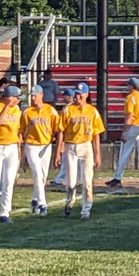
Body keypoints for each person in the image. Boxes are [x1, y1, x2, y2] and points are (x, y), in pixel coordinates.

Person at [55, 81, 104, 219]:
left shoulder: (92, 111)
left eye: (80, 94)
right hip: (70, 146)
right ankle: (69, 202)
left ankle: (86, 210)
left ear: (86, 94)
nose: (77, 96)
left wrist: (98, 154)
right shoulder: (68, 110)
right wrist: (58, 150)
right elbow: (61, 131)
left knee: (87, 181)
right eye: (76, 94)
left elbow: (96, 134)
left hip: (86, 146)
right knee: (71, 182)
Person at [107, 77, 139, 190]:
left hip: (134, 126)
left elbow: (129, 116)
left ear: (132, 86)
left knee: (125, 151)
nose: (127, 86)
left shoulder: (130, 97)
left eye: (128, 85)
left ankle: (117, 178)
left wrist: (124, 131)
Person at [21, 84, 61, 216]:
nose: (33, 98)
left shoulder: (50, 111)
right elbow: (21, 131)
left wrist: (58, 149)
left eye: (35, 95)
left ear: (41, 95)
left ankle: (35, 199)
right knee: (37, 173)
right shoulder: (27, 112)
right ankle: (43, 203)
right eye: (31, 95)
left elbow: (58, 130)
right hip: (31, 145)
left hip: (45, 145)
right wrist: (22, 154)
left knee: (43, 176)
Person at [0, 85, 23, 222]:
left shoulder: (18, 109)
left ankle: (4, 213)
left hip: (11, 146)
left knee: (9, 180)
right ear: (10, 98)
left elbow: (17, 130)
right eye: (16, 98)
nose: (18, 101)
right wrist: (7, 107)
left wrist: (19, 148)